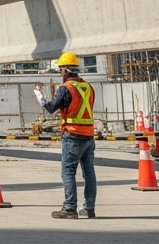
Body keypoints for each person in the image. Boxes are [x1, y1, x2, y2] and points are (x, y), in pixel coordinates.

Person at [35, 52, 97, 219]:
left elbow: (50, 108)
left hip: (73, 136)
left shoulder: (65, 88)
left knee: (68, 171)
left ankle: (70, 208)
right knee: (89, 172)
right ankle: (89, 208)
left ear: (66, 71)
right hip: (89, 136)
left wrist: (40, 96)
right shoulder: (88, 88)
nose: (60, 73)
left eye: (61, 70)